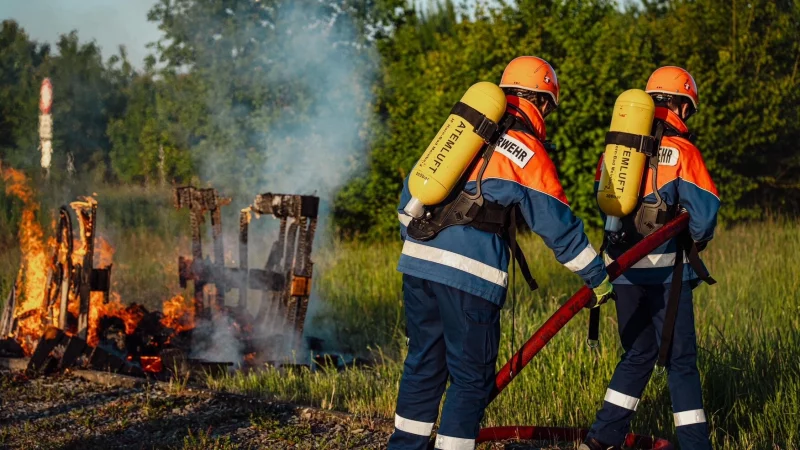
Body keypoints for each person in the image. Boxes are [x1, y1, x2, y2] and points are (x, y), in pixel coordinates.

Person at [389, 56, 615, 450]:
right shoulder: (526, 151)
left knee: (424, 362)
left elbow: (410, 196)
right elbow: (557, 224)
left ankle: (404, 446)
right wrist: (596, 276)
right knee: (470, 377)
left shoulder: (460, 132)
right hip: (470, 277)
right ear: (542, 102)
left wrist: (421, 246)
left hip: (417, 264)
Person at [582, 66, 720, 450]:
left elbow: (603, 197)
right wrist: (692, 242)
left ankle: (602, 437)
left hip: (622, 271)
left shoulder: (615, 150)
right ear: (681, 105)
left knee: (638, 352)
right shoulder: (683, 152)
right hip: (666, 276)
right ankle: (695, 445)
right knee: (680, 361)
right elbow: (705, 216)